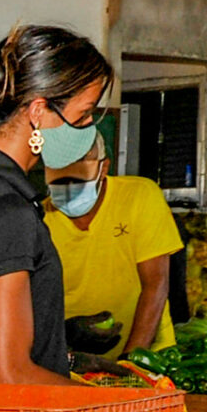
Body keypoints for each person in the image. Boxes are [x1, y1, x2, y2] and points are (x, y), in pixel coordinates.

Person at [0, 24, 113, 384]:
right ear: (38, 112)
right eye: (83, 115)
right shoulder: (7, 212)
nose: (89, 126)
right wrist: (108, 402)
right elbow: (11, 375)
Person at [42, 136, 183, 355]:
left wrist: (132, 360)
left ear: (103, 167)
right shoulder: (39, 220)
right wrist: (65, 335)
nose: (69, 190)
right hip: (73, 362)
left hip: (148, 357)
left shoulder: (140, 196)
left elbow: (156, 283)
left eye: (79, 182)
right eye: (60, 183)